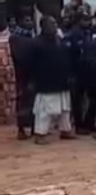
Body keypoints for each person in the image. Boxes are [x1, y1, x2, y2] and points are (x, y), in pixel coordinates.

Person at [28, 16, 75, 144]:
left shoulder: (60, 40)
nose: (55, 26)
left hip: (62, 80)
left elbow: (67, 59)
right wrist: (31, 80)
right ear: (43, 26)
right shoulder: (36, 43)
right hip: (45, 82)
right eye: (52, 24)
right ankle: (40, 134)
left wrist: (70, 75)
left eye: (55, 23)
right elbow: (30, 64)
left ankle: (65, 130)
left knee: (65, 108)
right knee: (45, 110)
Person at [61, 13, 92, 134]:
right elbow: (66, 56)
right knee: (77, 101)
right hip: (75, 72)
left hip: (87, 71)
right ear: (78, 21)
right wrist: (69, 74)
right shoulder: (71, 35)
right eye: (85, 20)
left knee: (92, 99)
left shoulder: (87, 33)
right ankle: (79, 126)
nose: (88, 22)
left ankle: (87, 123)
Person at [9, 14, 36, 140]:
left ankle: (33, 129)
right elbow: (18, 57)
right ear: (20, 22)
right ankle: (21, 129)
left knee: (33, 103)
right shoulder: (15, 38)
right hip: (21, 74)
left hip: (32, 74)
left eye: (31, 19)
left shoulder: (32, 36)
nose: (30, 22)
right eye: (27, 20)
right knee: (23, 102)